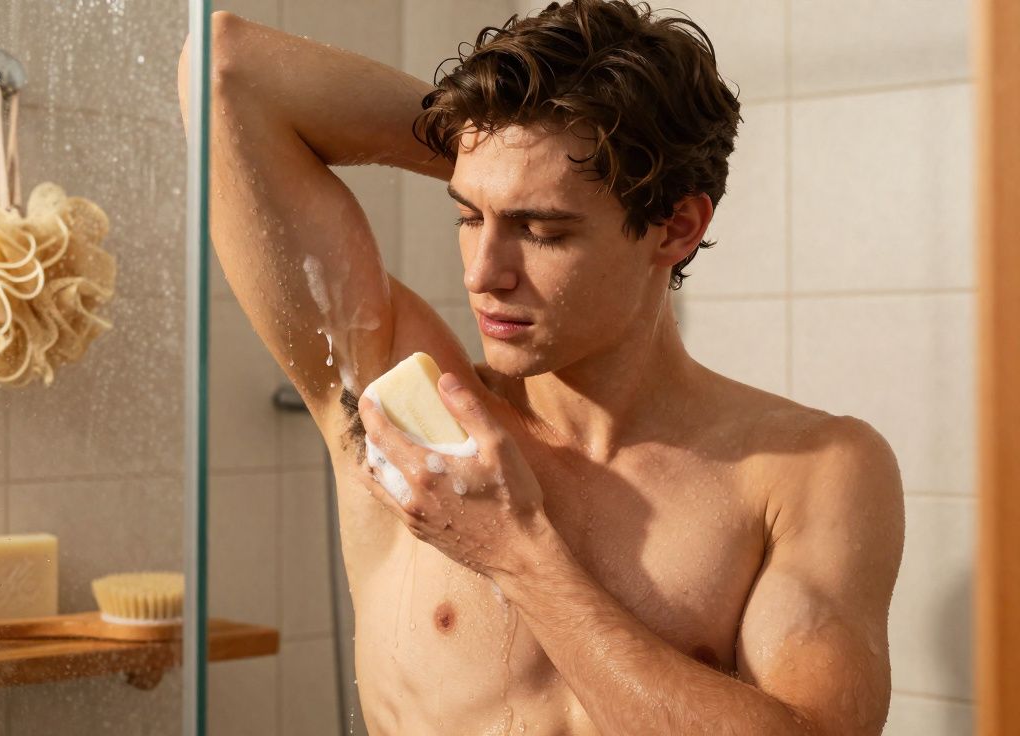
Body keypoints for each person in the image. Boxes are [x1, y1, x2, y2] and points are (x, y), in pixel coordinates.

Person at [178, 1, 904, 733]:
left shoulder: (809, 471)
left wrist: (517, 555)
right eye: (469, 215)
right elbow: (224, 72)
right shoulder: (405, 411)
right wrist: (494, 146)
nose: (483, 273)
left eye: (541, 228)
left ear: (676, 227)